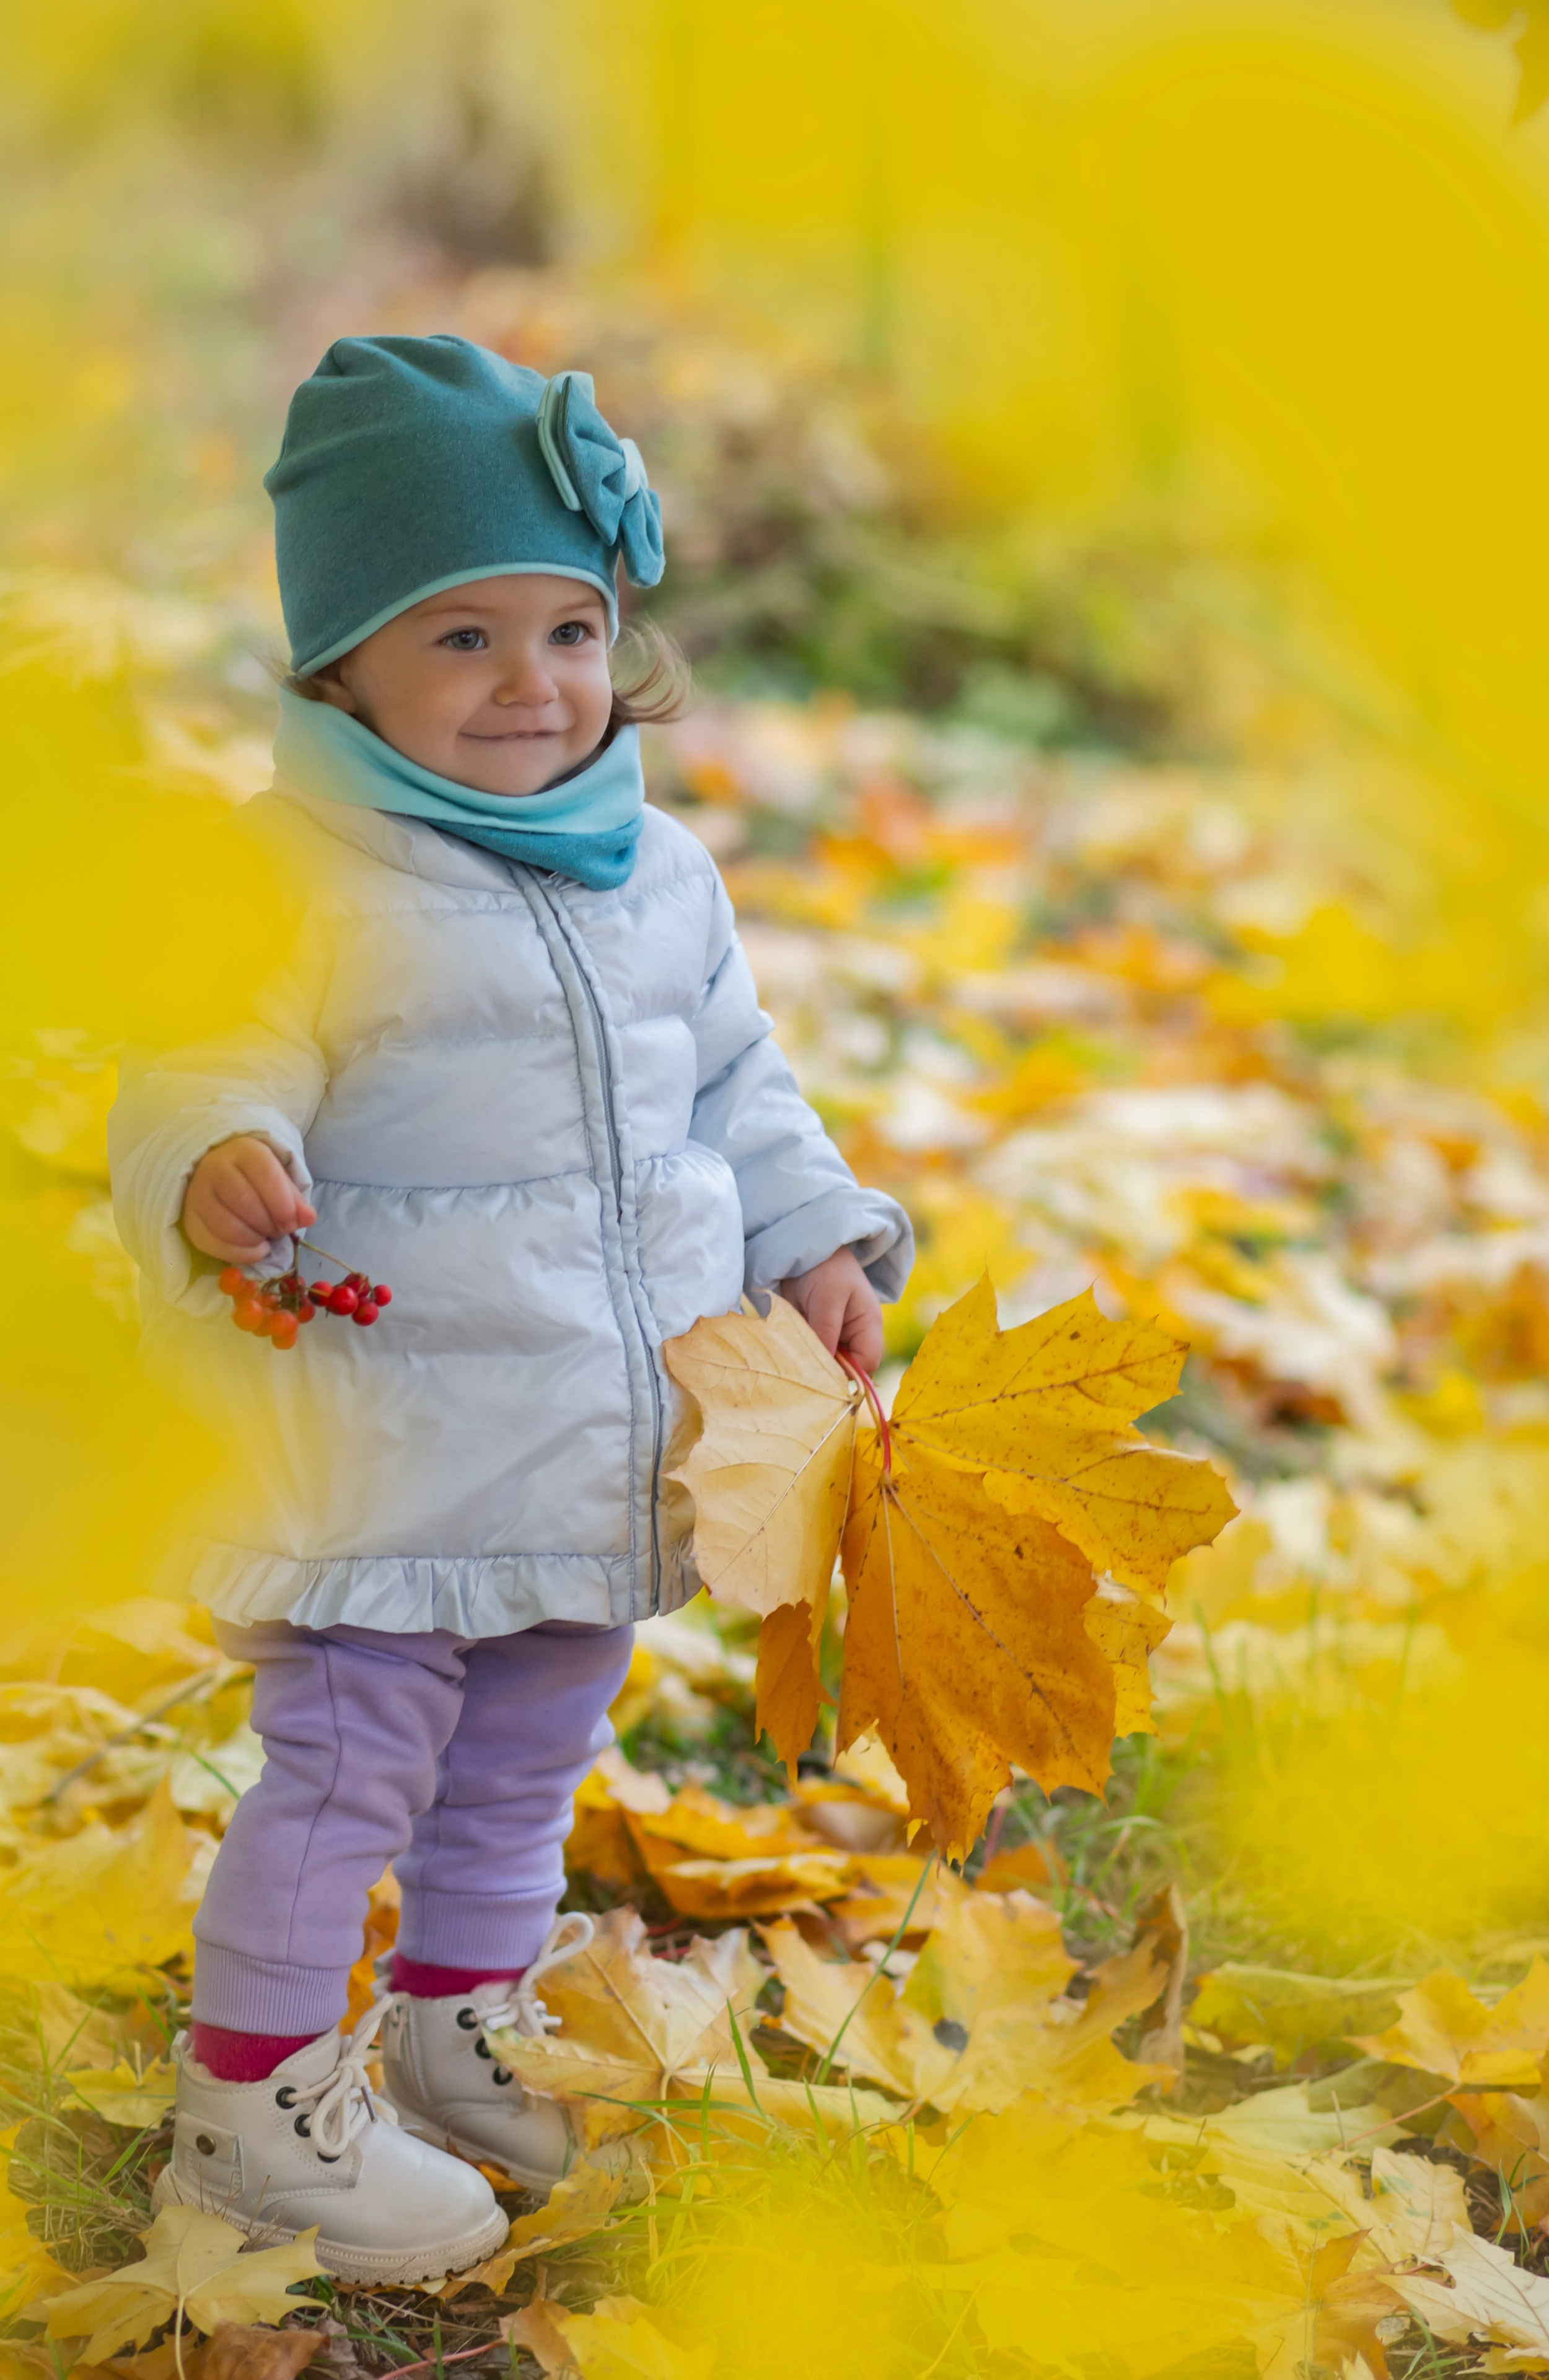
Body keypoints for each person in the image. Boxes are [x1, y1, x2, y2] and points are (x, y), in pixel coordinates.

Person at [108, 336, 911, 2284]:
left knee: (531, 1747)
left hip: (586, 1434)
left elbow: (741, 1084)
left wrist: (814, 1239)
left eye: (568, 626)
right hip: (382, 1441)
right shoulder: (292, 870)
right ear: (342, 666)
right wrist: (214, 1156)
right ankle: (253, 2104)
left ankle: (455, 2022)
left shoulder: (661, 874)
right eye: (459, 639)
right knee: (352, 1759)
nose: (533, 684)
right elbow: (192, 1062)